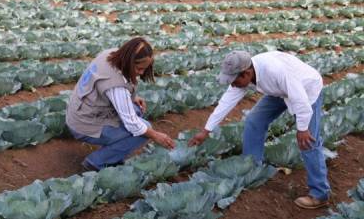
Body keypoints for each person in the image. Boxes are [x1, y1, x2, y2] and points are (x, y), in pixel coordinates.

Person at [188, 50, 330, 209]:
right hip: (279, 90)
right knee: (254, 121)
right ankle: (252, 167)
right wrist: (206, 130)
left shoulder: (275, 70)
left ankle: (320, 193)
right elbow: (226, 102)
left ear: (246, 73)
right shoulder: (245, 73)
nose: (232, 84)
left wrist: (302, 129)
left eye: (234, 81)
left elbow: (300, 101)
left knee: (308, 141)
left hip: (306, 90)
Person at [66, 37, 175, 171]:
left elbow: (110, 89)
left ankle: (112, 151)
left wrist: (133, 97)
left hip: (79, 110)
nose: (141, 73)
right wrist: (156, 135)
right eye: (139, 68)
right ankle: (96, 162)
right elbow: (133, 125)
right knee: (142, 130)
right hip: (83, 124)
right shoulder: (116, 85)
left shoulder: (112, 54)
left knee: (136, 110)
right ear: (129, 61)